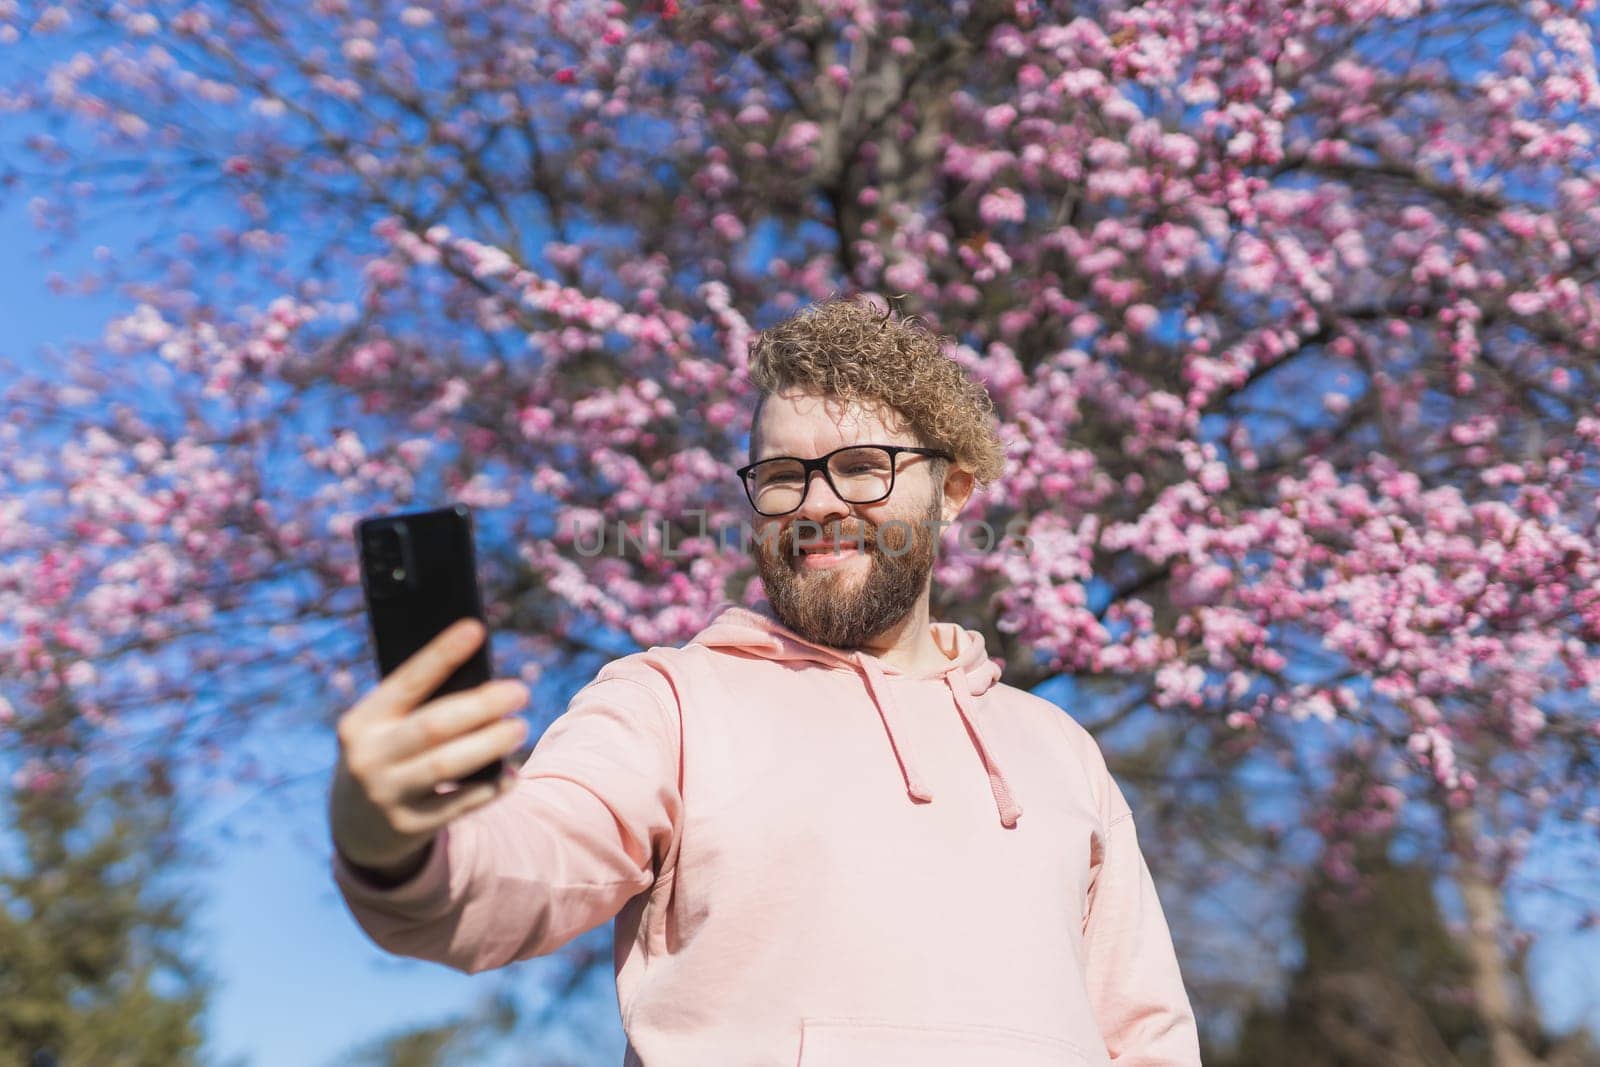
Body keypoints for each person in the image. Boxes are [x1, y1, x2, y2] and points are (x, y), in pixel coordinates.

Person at [328, 296, 1202, 1065]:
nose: (818, 503)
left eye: (864, 467)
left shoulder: (1060, 750)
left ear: (953, 491)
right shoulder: (667, 701)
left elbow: (1148, 1034)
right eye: (783, 477)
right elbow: (526, 863)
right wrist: (398, 843)